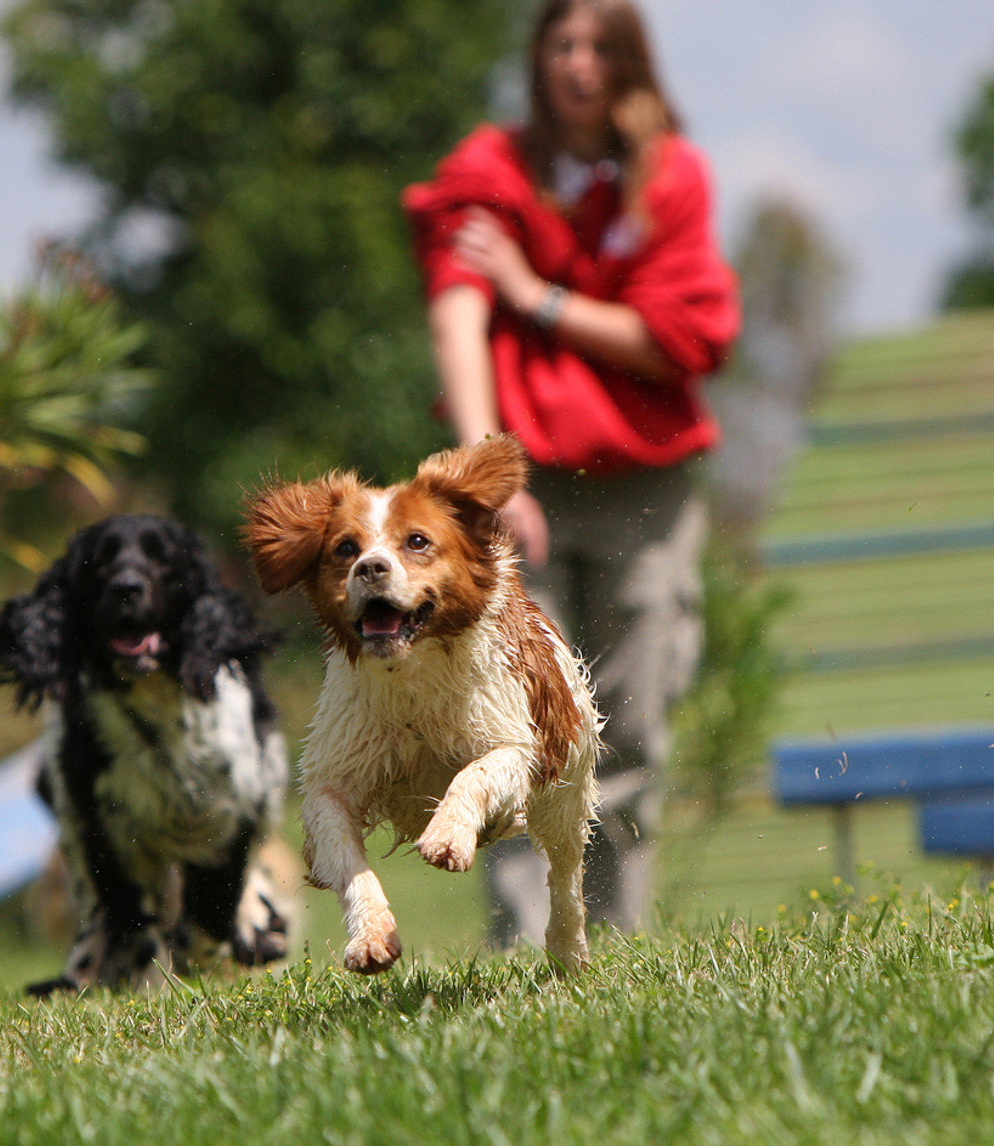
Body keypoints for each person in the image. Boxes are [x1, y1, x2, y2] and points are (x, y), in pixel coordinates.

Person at [401, 0, 739, 943]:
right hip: (524, 491)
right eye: (561, 43)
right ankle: (522, 951)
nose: (579, 64)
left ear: (630, 60)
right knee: (512, 721)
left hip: (648, 487)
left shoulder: (670, 179)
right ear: (537, 57)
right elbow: (456, 314)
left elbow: (678, 340)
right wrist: (483, 484)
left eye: (599, 46)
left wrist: (537, 296)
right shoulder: (491, 172)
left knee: (629, 723)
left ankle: (610, 942)